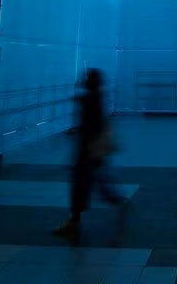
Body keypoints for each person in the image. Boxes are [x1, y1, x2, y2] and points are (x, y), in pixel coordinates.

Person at [54, 68, 129, 242]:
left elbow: (89, 126)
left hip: (86, 152)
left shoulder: (90, 100)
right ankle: (116, 202)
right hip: (92, 152)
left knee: (83, 186)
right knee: (96, 183)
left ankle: (75, 220)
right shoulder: (96, 98)